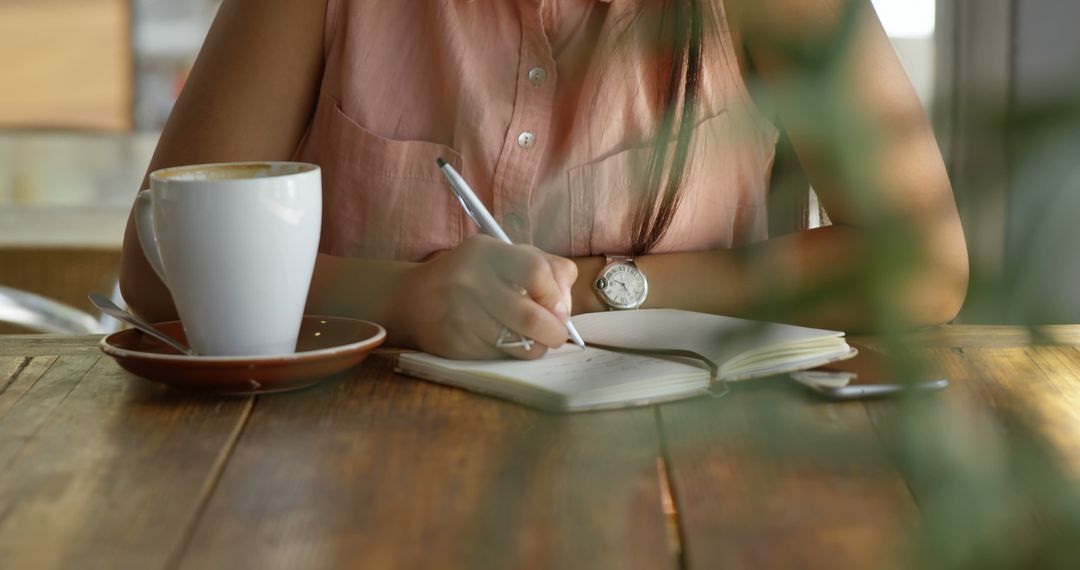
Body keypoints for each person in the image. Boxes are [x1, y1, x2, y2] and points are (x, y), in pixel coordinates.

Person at [119, 0, 969, 360]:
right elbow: (160, 268)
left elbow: (922, 265)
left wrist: (603, 291)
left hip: (685, 477)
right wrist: (408, 299)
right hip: (345, 474)